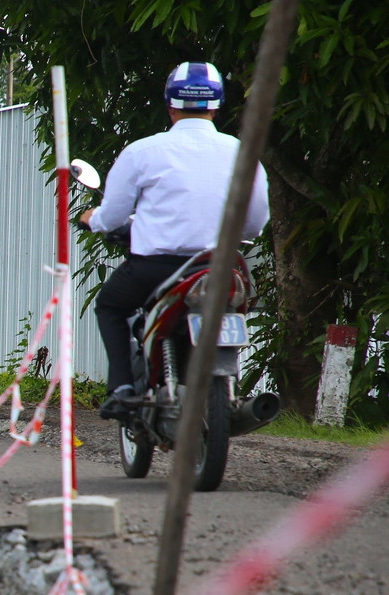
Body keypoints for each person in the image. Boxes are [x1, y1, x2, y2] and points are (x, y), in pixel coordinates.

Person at [79, 61, 270, 420]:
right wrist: (243, 234)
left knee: (111, 306)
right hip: (220, 269)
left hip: (157, 270)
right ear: (216, 107)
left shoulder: (143, 152)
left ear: (170, 105)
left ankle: (121, 388)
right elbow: (257, 219)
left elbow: (114, 215)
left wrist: (93, 219)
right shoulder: (243, 153)